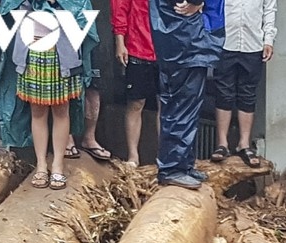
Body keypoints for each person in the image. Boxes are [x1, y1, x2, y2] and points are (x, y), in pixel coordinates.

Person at [0, 0, 98, 190]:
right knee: (37, 111)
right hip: (32, 49)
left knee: (61, 110)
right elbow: (10, 7)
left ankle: (58, 165)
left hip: (64, 52)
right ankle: (41, 165)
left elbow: (81, 9)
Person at [149, 0, 222, 189]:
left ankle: (183, 165)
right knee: (181, 104)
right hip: (185, 39)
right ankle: (173, 168)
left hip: (183, 38)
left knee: (186, 105)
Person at [208, 0, 276, 167]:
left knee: (248, 93)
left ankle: (244, 144)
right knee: (223, 91)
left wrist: (268, 40)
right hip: (224, 41)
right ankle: (222, 144)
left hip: (253, 42)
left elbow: (269, 10)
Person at [111, 0, 158, 166]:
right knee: (135, 103)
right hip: (137, 46)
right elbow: (120, 7)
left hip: (167, 49)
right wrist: (120, 41)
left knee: (167, 105)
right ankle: (133, 156)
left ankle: (166, 157)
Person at [65, 39, 113, 162]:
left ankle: (89, 139)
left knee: (95, 84)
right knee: (68, 85)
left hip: (95, 34)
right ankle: (67, 138)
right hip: (67, 34)